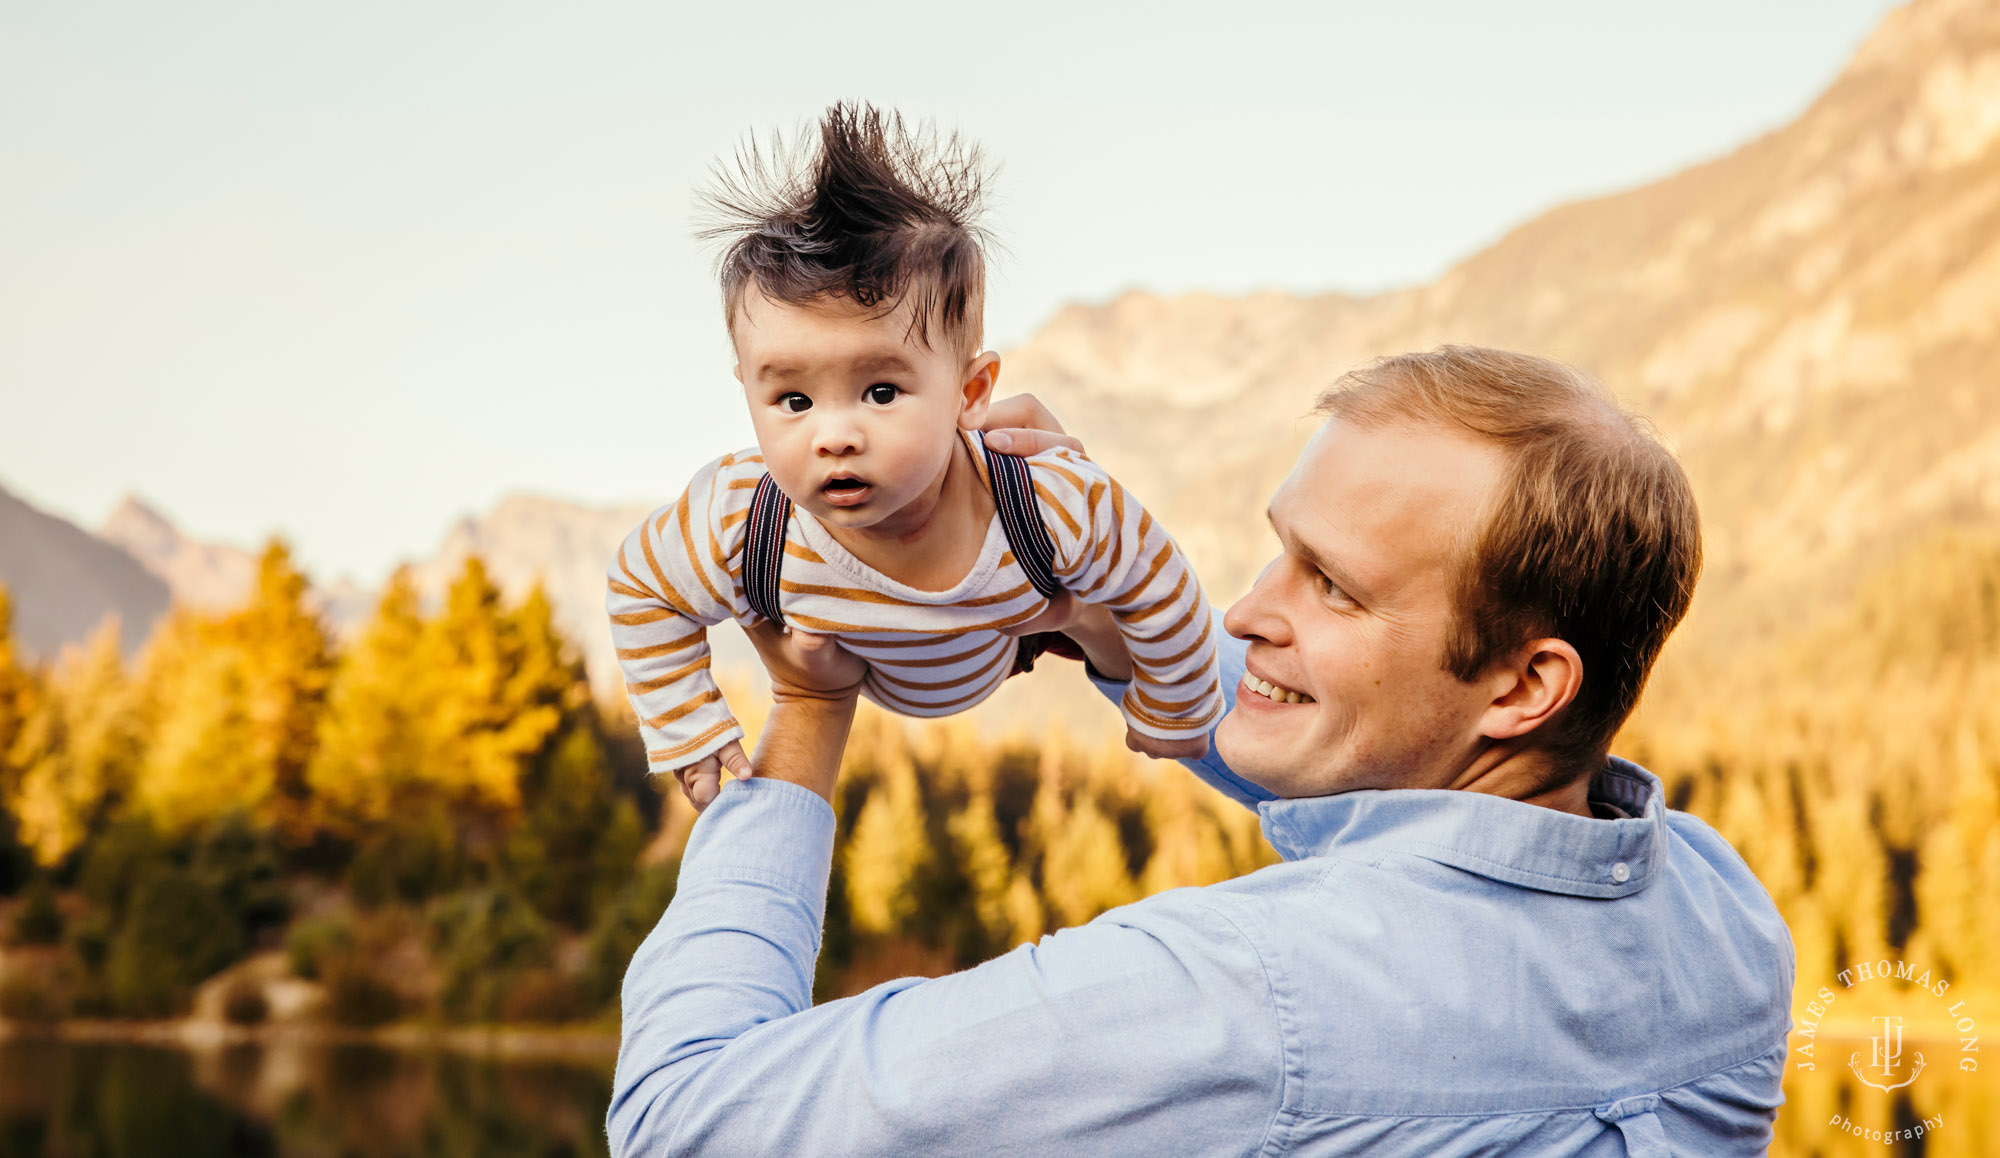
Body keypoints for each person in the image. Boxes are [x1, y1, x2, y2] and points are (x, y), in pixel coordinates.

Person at [607, 347, 1796, 1156]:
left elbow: (687, 1117)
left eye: (1330, 584)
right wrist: (1094, 594)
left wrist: (807, 715)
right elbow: (1379, 780)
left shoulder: (1236, 991)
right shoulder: (1721, 920)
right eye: (1279, 550)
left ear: (1526, 684)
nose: (1241, 609)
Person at [606, 103, 1223, 806]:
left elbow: (1160, 581)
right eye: (795, 402)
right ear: (748, 390)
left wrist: (1175, 707)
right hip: (857, 670)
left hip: (1007, 648)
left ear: (970, 391)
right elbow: (641, 586)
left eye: (879, 391)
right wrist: (689, 726)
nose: (833, 435)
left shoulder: (1042, 503)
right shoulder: (745, 520)